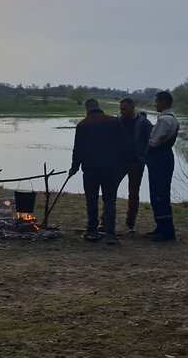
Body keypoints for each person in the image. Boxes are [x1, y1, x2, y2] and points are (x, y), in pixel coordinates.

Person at [69, 98, 127, 243]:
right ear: (98, 107)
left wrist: (74, 168)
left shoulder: (83, 125)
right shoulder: (114, 122)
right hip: (111, 168)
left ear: (87, 109)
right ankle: (110, 234)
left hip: (90, 169)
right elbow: (124, 143)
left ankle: (92, 231)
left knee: (92, 200)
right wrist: (120, 162)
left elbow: (78, 150)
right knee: (110, 200)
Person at [145, 90, 179, 240]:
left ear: (164, 103)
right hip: (164, 157)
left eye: (157, 101)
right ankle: (160, 225)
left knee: (159, 193)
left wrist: (144, 155)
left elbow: (154, 141)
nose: (155, 104)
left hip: (160, 158)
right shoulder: (170, 118)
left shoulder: (165, 120)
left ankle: (166, 230)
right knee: (160, 192)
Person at [115, 98, 153, 234]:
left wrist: (143, 158)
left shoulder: (143, 123)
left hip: (136, 163)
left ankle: (131, 224)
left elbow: (152, 140)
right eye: (120, 109)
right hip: (119, 163)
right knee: (110, 191)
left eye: (124, 109)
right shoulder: (117, 120)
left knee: (134, 194)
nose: (121, 111)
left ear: (132, 108)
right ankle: (105, 220)